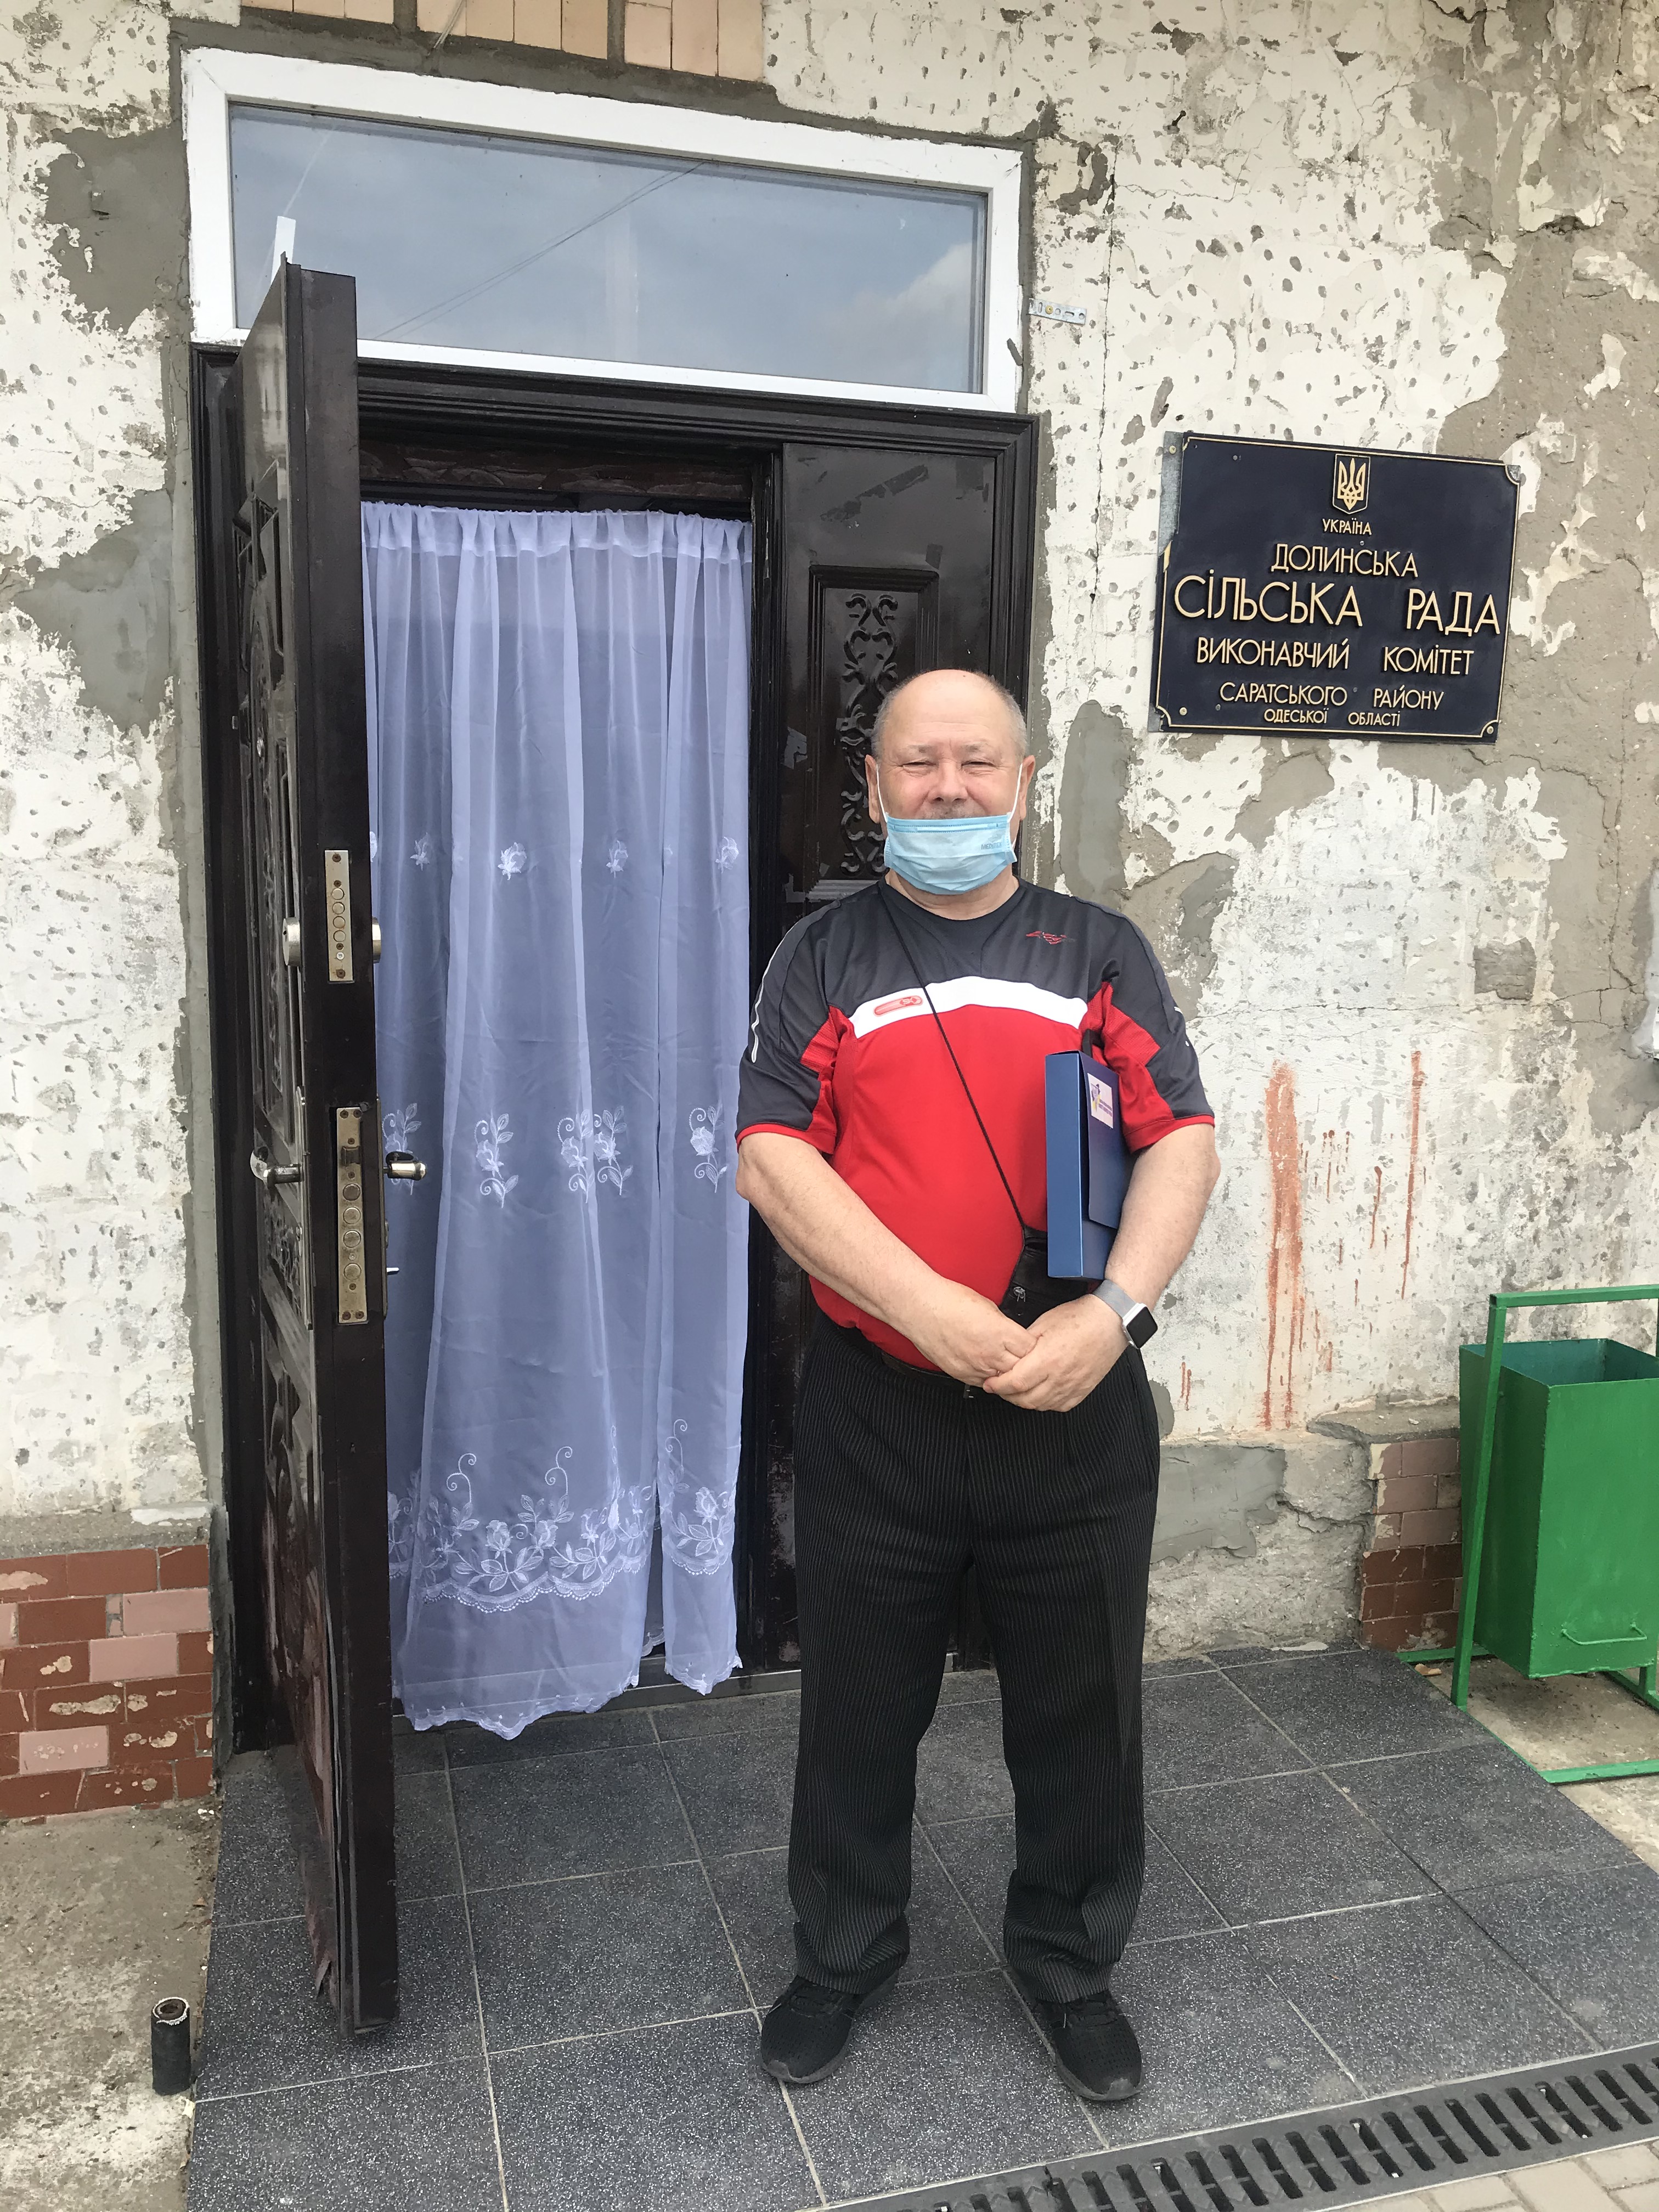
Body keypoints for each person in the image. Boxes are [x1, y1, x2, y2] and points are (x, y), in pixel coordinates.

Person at [733, 667, 1220, 2101]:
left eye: (978, 763)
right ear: (874, 787)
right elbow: (772, 1157)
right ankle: (841, 1956)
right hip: (880, 1402)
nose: (949, 788)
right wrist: (928, 1311)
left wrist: (1115, 1317)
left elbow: (1181, 1140)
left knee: (1084, 1708)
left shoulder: (1100, 951)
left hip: (1073, 1398)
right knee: (858, 1705)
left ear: (1021, 784)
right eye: (918, 764)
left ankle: (1070, 1963)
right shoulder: (822, 956)